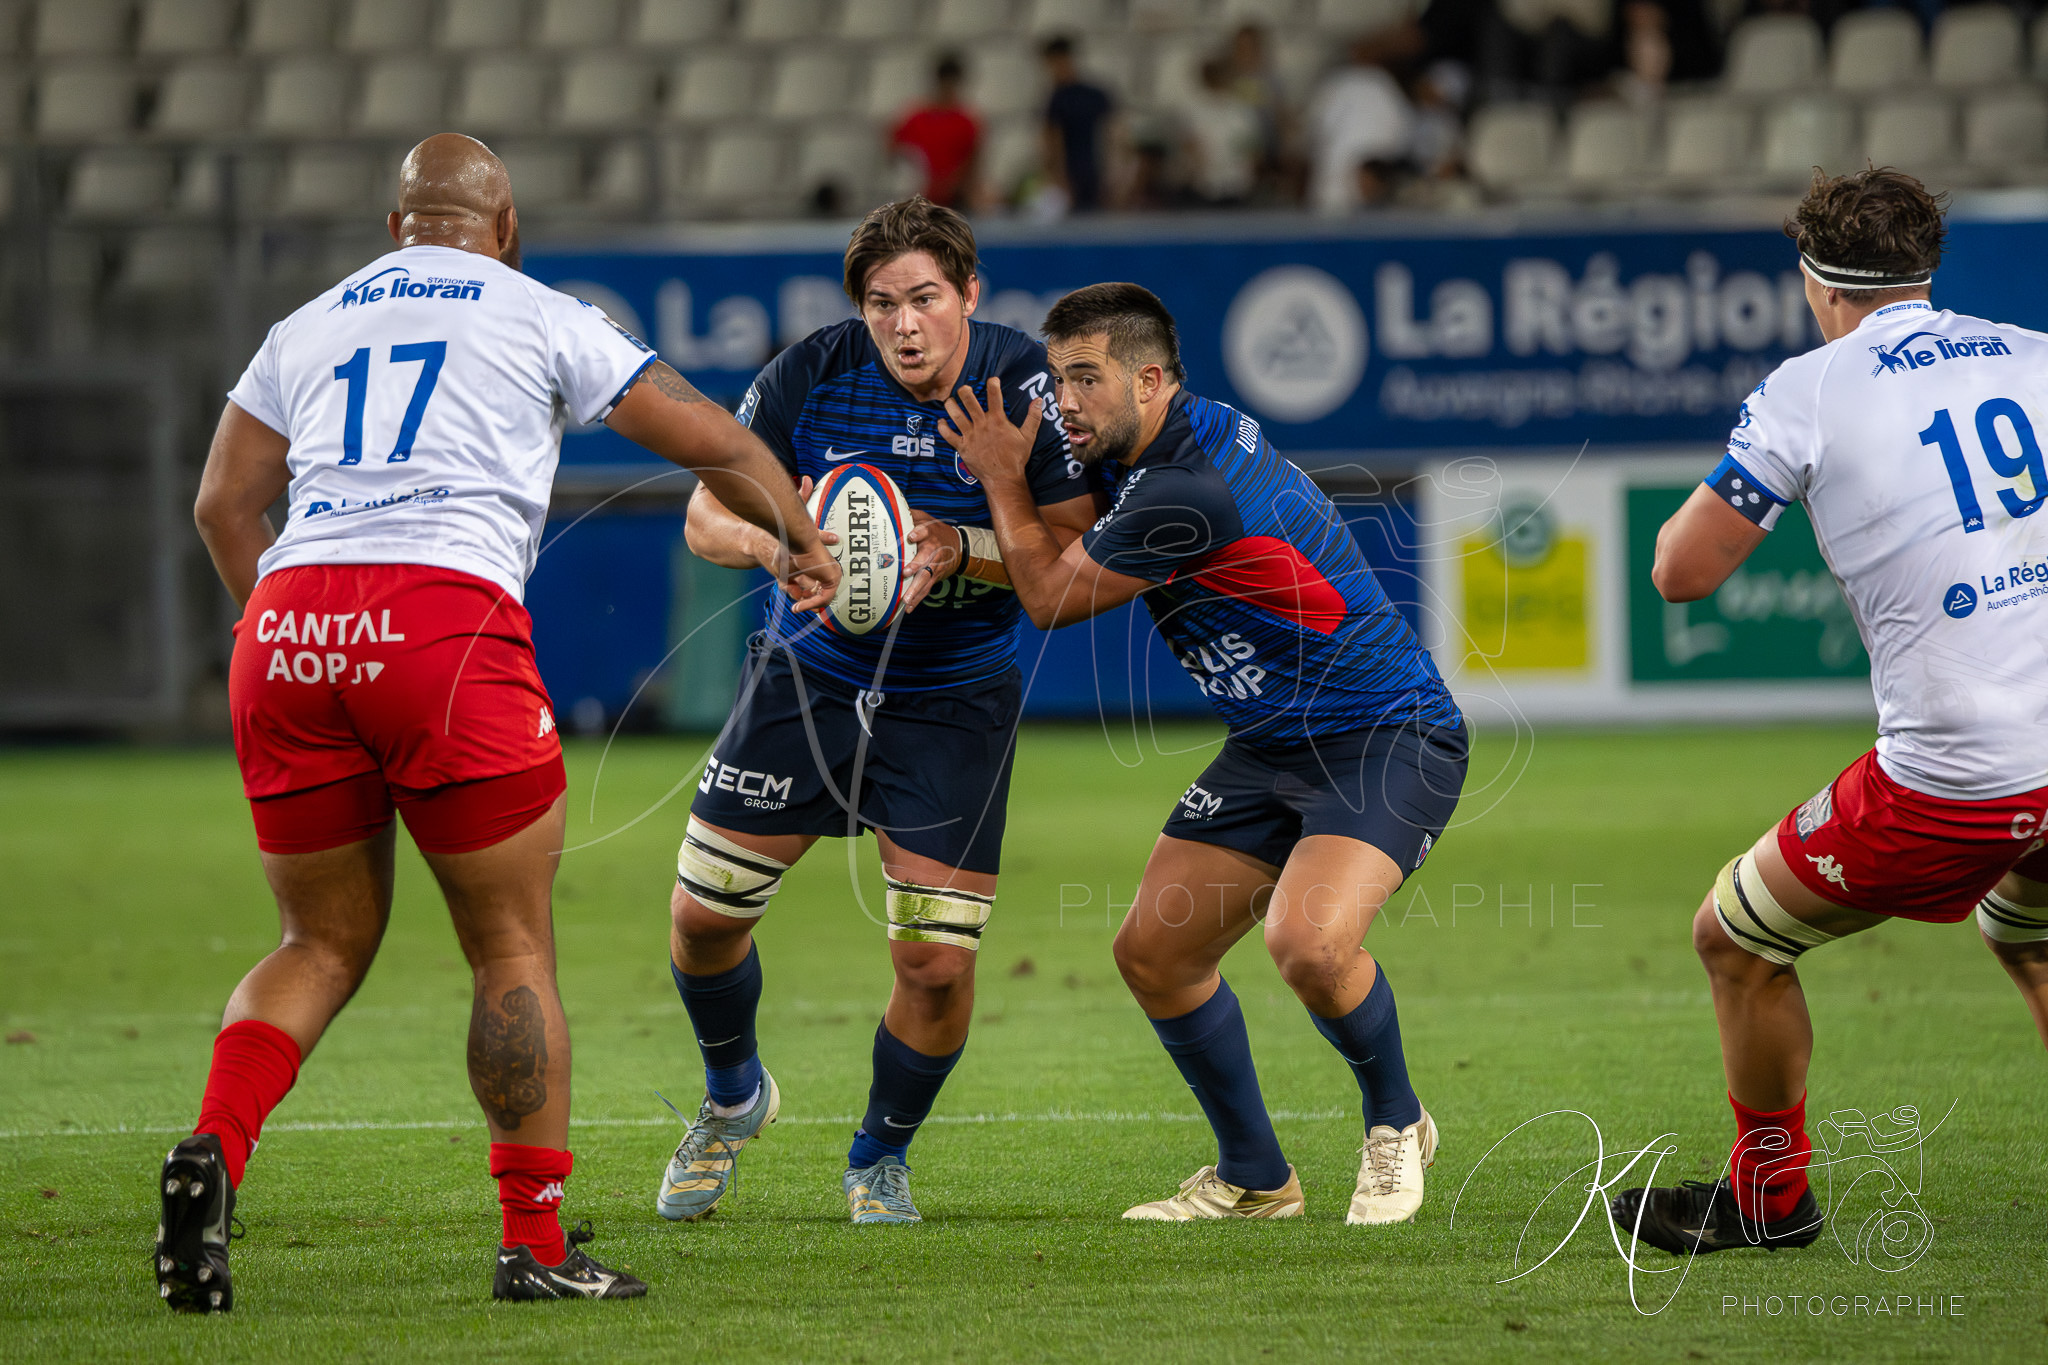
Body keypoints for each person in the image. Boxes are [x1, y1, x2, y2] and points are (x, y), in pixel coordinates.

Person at [170, 134, 836, 1311]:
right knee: (509, 947)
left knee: (314, 945)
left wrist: (284, 634)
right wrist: (797, 542)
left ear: (394, 229)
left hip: (288, 626)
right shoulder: (540, 313)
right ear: (507, 224)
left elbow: (222, 504)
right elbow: (719, 443)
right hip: (442, 624)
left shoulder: (308, 324)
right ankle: (532, 1243)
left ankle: (214, 1152)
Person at [939, 284, 1469, 1223]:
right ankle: (1256, 1177)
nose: (1064, 400)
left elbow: (1052, 597)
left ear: (1149, 378)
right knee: (1155, 953)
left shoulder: (1186, 489)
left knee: (1306, 943)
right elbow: (1062, 549)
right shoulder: (1169, 440)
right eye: (1059, 376)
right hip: (1272, 741)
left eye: (1085, 378)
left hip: (1386, 735)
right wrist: (954, 546)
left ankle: (1396, 1122)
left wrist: (998, 479)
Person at [1612, 168, 2048, 1255]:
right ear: (1922, 268)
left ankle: (1767, 1202)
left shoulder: (1807, 388)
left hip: (1960, 774)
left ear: (1817, 283)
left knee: (1734, 938)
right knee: (2028, 928)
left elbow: (1680, 573)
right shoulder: (2031, 355)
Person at [654, 197, 1098, 1227]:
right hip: (804, 681)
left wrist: (963, 544)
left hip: (950, 699)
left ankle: (878, 1154)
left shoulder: (1027, 387)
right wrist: (780, 550)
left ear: (969, 294)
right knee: (701, 920)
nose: (903, 325)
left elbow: (1073, 550)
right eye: (881, 303)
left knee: (933, 966)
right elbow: (704, 510)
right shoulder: (810, 374)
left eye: (925, 300)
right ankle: (731, 1100)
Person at [1306, 40, 1414, 214]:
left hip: (1354, 192)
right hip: (1335, 188)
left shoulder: (1384, 87)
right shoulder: (1385, 87)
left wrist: (1374, 171)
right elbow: (1404, 141)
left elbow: (1312, 130)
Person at [890, 54, 981, 211]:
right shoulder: (916, 118)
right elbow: (894, 148)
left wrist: (949, 185)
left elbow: (972, 163)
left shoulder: (967, 122)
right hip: (920, 197)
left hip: (954, 200)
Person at [1040, 36, 1115, 213]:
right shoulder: (1056, 99)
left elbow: (1111, 135)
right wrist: (1060, 179)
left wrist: (1111, 174)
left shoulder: (1095, 95)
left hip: (1094, 172)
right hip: (1072, 177)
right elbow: (1053, 142)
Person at [1179, 59, 1262, 207]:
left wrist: (1247, 177)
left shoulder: (1242, 110)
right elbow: (1190, 147)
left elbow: (1252, 151)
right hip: (1206, 187)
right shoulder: (1193, 109)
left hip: (1237, 186)